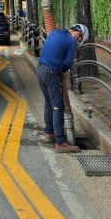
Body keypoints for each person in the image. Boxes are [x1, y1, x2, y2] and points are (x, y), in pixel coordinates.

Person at [36, 23, 89, 153]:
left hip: (40, 70)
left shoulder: (54, 32)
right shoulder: (71, 40)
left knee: (49, 102)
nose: (78, 42)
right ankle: (60, 142)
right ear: (78, 34)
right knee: (57, 106)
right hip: (51, 72)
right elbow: (69, 62)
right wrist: (62, 71)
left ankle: (49, 132)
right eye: (80, 40)